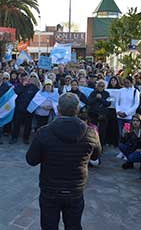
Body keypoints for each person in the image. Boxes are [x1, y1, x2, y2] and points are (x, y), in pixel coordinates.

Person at [26, 93, 101, 230]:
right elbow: (96, 156)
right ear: (78, 109)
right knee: (73, 226)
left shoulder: (44, 132)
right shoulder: (91, 133)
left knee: (49, 226)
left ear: (58, 109)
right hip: (75, 189)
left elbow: (31, 160)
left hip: (51, 189)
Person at [11, 73, 39, 144]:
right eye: (24, 79)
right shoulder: (18, 86)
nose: (26, 80)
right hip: (19, 109)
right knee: (16, 124)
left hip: (29, 110)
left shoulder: (33, 87)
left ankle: (26, 138)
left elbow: (38, 96)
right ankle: (14, 137)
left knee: (28, 125)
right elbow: (15, 93)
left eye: (27, 78)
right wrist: (22, 85)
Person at [87, 80, 111, 147]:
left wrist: (100, 99)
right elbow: (89, 101)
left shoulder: (107, 93)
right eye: (99, 86)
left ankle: (101, 145)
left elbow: (108, 103)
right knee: (93, 130)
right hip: (93, 115)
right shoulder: (93, 93)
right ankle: (93, 144)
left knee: (102, 131)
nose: (100, 87)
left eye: (102, 86)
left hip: (103, 115)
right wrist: (96, 98)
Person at [106, 76, 121, 147]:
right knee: (109, 125)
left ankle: (115, 142)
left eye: (114, 80)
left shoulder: (120, 90)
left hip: (117, 110)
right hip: (109, 109)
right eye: (112, 80)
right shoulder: (107, 89)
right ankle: (108, 141)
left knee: (115, 126)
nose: (113, 82)